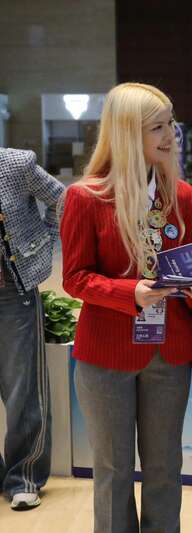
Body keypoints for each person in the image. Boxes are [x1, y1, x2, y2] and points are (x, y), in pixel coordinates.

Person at [60, 82, 192, 533]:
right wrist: (130, 294)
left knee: (165, 467)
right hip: (106, 357)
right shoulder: (86, 197)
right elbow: (75, 278)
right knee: (113, 470)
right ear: (128, 132)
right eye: (157, 127)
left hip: (169, 354)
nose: (171, 135)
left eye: (171, 124)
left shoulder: (181, 197)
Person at [0, 148, 63, 510]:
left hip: (13, 290)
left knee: (23, 388)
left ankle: (24, 477)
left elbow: (61, 199)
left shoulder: (15, 164)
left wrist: (42, 243)